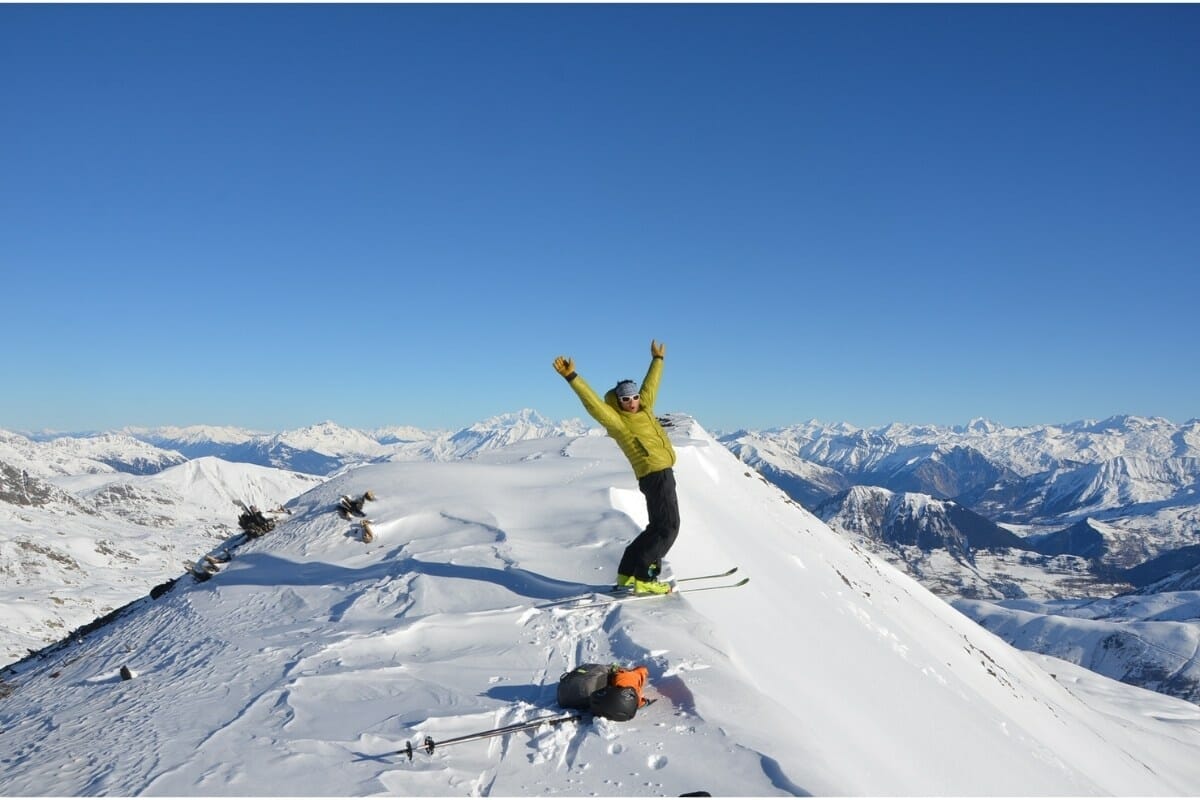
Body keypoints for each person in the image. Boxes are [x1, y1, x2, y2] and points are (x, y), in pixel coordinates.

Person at [553, 340, 679, 594]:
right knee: (668, 528)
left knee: (656, 527)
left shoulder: (644, 407)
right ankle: (645, 578)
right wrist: (572, 377)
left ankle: (627, 573)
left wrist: (657, 360)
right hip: (655, 474)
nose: (632, 402)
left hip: (661, 473)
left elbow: (651, 385)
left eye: (633, 397)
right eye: (625, 399)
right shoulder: (617, 421)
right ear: (618, 402)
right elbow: (594, 405)